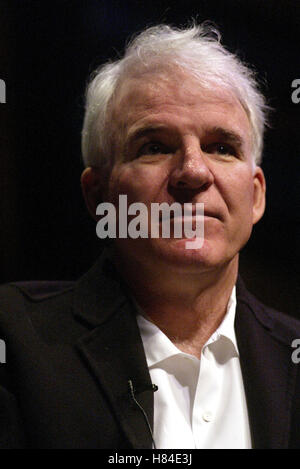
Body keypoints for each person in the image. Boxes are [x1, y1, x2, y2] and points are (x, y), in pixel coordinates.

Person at [0, 22, 299, 450]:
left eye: (221, 147)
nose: (194, 172)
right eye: (154, 146)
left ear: (255, 197)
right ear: (98, 194)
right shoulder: (13, 341)